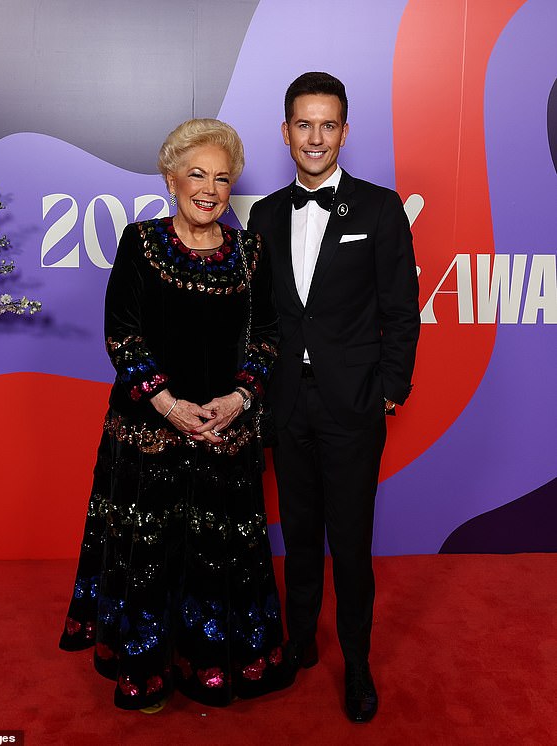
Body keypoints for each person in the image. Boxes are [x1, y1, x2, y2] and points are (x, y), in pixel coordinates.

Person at [60, 118, 286, 711]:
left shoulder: (251, 253)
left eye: (220, 177)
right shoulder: (140, 243)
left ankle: (211, 669)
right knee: (152, 555)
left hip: (224, 433)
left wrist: (237, 400)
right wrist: (166, 403)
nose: (208, 188)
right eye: (196, 174)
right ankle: (146, 673)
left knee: (217, 554)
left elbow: (266, 338)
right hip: (149, 432)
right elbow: (123, 337)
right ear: (171, 178)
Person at [248, 72, 420, 723]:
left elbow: (401, 313)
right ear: (286, 132)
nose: (315, 137)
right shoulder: (263, 214)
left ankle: (357, 664)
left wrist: (390, 393)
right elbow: (258, 318)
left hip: (354, 407)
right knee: (297, 536)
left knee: (349, 545)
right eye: (303, 124)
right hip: (287, 404)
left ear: (344, 132)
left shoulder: (379, 209)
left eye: (327, 124)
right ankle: (298, 647)